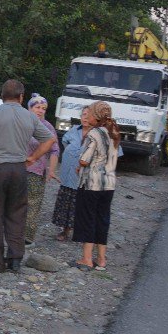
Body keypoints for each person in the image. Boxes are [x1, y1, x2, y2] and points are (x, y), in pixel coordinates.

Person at [0, 80, 57, 272]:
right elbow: (50, 139)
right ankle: (15, 260)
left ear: (2, 95)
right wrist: (33, 158)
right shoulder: (29, 117)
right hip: (19, 170)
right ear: (21, 97)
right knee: (17, 214)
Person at [72, 101, 120, 271]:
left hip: (92, 183)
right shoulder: (114, 131)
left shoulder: (94, 133)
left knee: (88, 218)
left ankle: (86, 259)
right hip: (109, 183)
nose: (87, 115)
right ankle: (101, 259)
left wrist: (80, 164)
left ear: (96, 116)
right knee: (102, 219)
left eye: (90, 113)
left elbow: (85, 158)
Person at [24, 93, 60, 245]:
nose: (40, 110)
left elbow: (55, 150)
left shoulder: (48, 127)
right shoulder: (21, 123)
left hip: (36, 171)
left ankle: (27, 236)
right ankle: (12, 232)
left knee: (33, 203)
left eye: (43, 108)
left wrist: (51, 170)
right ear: (29, 108)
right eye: (37, 107)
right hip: (16, 169)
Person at [52, 106, 91, 241]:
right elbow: (64, 141)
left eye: (88, 115)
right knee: (65, 203)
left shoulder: (98, 133)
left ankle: (80, 232)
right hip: (68, 174)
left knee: (81, 204)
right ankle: (64, 231)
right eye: (83, 114)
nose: (85, 117)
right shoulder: (74, 130)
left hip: (84, 178)